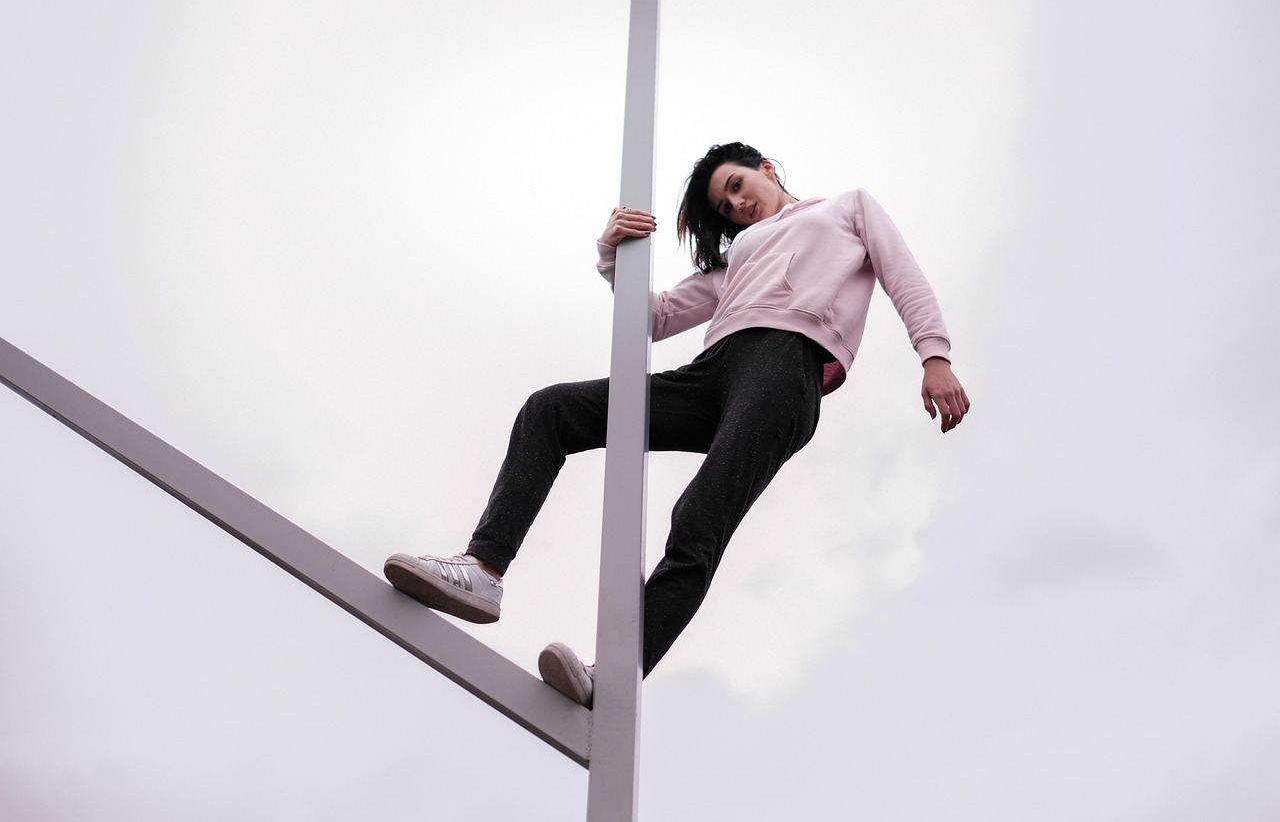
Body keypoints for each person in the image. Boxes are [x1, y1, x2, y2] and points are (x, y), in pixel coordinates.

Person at [385, 142, 970, 707]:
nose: (736, 206)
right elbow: (657, 316)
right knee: (552, 409)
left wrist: (934, 355)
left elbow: (903, 273)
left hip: (784, 368)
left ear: (766, 168)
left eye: (737, 186)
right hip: (711, 373)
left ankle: (612, 675)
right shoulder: (737, 260)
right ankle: (483, 569)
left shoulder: (847, 208)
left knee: (697, 519)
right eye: (724, 206)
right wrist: (612, 255)